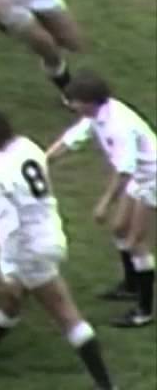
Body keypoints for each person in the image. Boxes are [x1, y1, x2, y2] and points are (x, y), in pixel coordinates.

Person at [0, 110, 117, 389]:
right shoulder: (29, 146)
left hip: (29, 247)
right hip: (53, 233)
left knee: (64, 312)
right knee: (13, 302)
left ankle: (106, 384)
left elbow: (8, 224)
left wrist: (8, 269)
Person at [46, 72, 155, 327]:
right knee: (119, 229)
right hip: (140, 177)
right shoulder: (97, 115)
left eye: (74, 101)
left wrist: (105, 203)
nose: (70, 105)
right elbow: (71, 140)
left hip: (152, 179)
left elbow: (124, 170)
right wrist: (42, 160)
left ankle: (144, 311)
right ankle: (131, 285)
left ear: (89, 101)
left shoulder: (118, 126)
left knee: (136, 241)